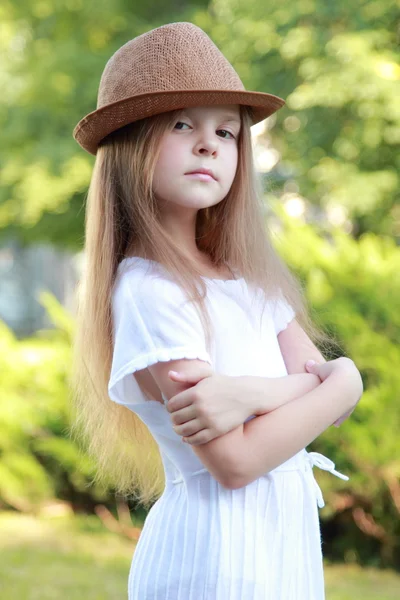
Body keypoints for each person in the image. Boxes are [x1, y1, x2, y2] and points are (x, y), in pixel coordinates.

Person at [70, 21, 363, 600]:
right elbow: (236, 461)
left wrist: (258, 393)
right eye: (183, 125)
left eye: (226, 132)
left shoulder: (251, 282)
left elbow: (334, 401)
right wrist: (334, 382)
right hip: (212, 563)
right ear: (131, 146)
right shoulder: (150, 290)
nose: (210, 144)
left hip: (281, 560)